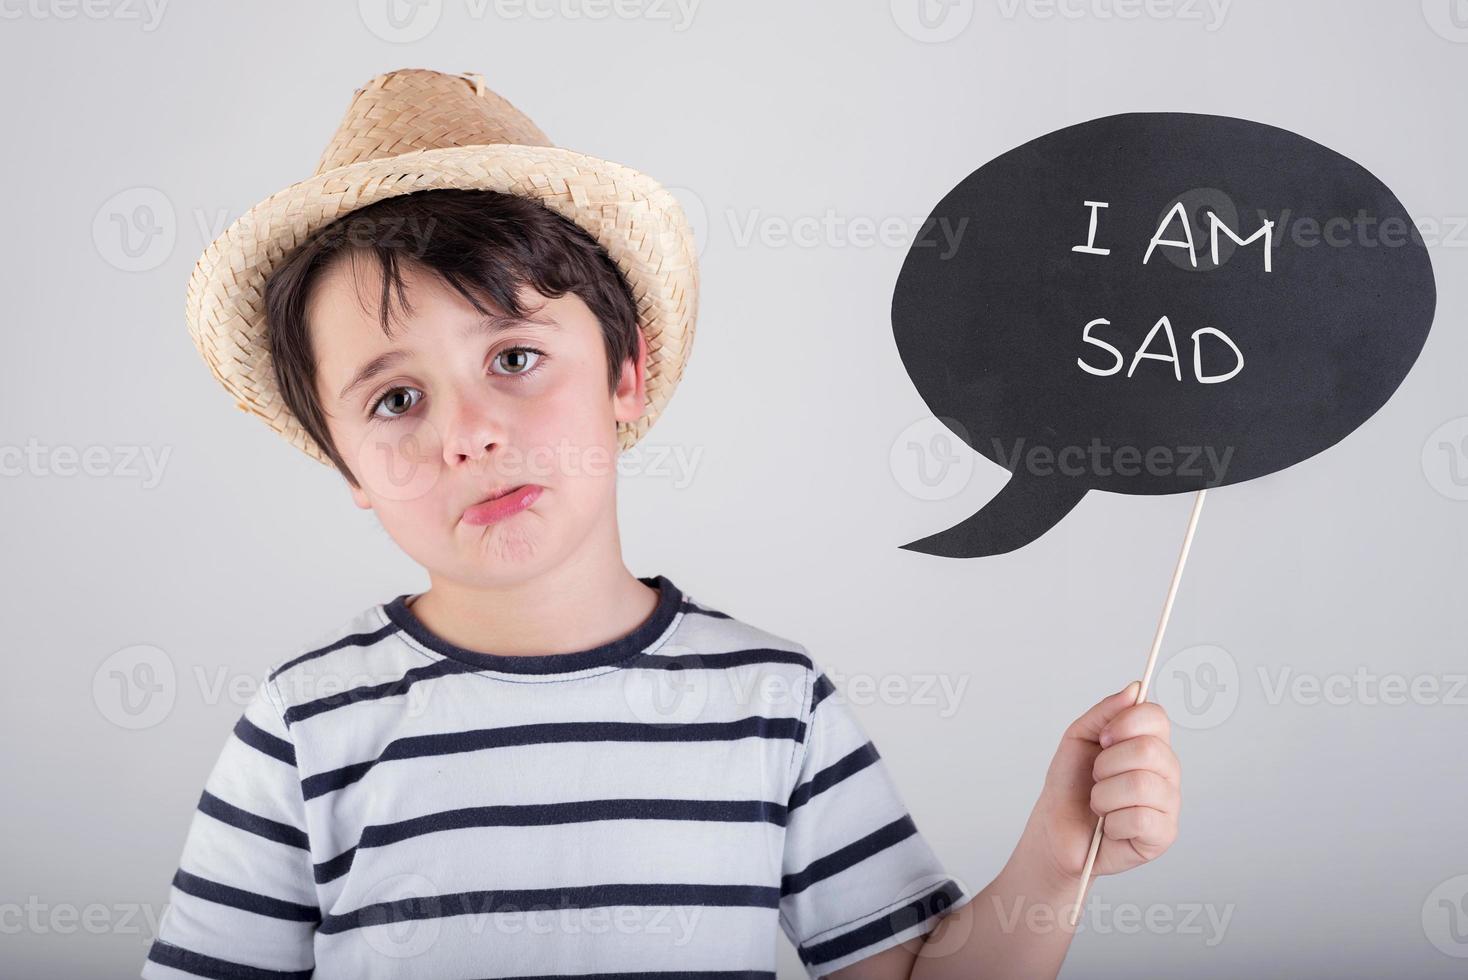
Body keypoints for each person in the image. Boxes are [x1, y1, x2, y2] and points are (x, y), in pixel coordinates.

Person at [143, 68, 1180, 980]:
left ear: (625, 370)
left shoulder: (772, 707)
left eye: (512, 358)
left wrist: (1056, 848)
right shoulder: (305, 725)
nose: (467, 435)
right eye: (395, 400)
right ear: (346, 465)